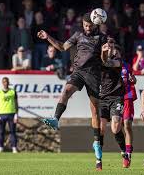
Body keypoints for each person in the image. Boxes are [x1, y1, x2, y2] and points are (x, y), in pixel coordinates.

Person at [37, 12, 107, 170]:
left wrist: (105, 51)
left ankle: (97, 145)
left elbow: (105, 61)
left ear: (95, 24)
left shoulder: (103, 38)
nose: (87, 28)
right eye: (85, 25)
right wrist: (48, 36)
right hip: (78, 73)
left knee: (95, 112)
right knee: (66, 91)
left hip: (94, 75)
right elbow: (62, 47)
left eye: (89, 26)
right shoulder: (78, 35)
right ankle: (55, 118)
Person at [98, 38, 128, 169]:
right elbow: (102, 61)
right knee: (101, 128)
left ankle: (124, 153)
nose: (110, 48)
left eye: (112, 46)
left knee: (115, 128)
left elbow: (107, 62)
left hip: (117, 96)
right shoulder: (98, 59)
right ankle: (98, 159)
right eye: (107, 45)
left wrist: (106, 53)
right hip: (102, 97)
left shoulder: (118, 61)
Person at [120, 56, 137, 168]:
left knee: (127, 125)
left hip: (127, 98)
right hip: (115, 98)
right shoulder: (107, 65)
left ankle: (128, 154)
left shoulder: (127, 66)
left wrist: (133, 79)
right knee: (117, 127)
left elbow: (134, 79)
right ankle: (123, 151)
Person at [0, 77, 19, 153]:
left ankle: (14, 148)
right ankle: (0, 147)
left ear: (8, 82)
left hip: (11, 114)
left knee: (13, 132)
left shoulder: (13, 92)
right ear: (2, 83)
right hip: (2, 114)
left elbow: (16, 104)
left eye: (7, 81)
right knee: (1, 132)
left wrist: (16, 115)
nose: (6, 83)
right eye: (4, 82)